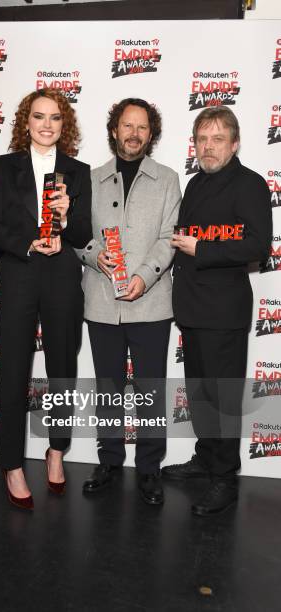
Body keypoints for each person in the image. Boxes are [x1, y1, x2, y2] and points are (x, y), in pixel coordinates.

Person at [0, 89, 92, 510]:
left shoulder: (78, 172)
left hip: (63, 278)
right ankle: (11, 463)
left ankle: (56, 451)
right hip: (21, 277)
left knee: (63, 366)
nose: (47, 125)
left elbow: (83, 235)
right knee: (12, 371)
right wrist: (28, 243)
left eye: (56, 118)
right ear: (25, 121)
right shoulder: (5, 167)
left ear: (66, 126)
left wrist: (63, 219)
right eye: (39, 116)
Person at [162, 107, 272, 515]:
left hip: (224, 311)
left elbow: (258, 247)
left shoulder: (250, 185)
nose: (208, 147)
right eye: (202, 140)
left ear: (235, 143)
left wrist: (203, 249)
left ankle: (225, 478)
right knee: (201, 395)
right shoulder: (194, 183)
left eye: (217, 139)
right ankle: (205, 459)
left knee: (223, 399)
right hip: (191, 309)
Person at [77, 98, 181, 505]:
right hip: (102, 302)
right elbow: (76, 234)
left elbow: (169, 236)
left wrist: (144, 276)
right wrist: (91, 253)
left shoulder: (169, 178)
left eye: (142, 127)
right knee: (108, 388)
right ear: (114, 130)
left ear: (150, 134)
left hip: (151, 303)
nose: (133, 134)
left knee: (150, 389)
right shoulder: (91, 178)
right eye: (126, 126)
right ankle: (109, 461)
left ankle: (150, 468)